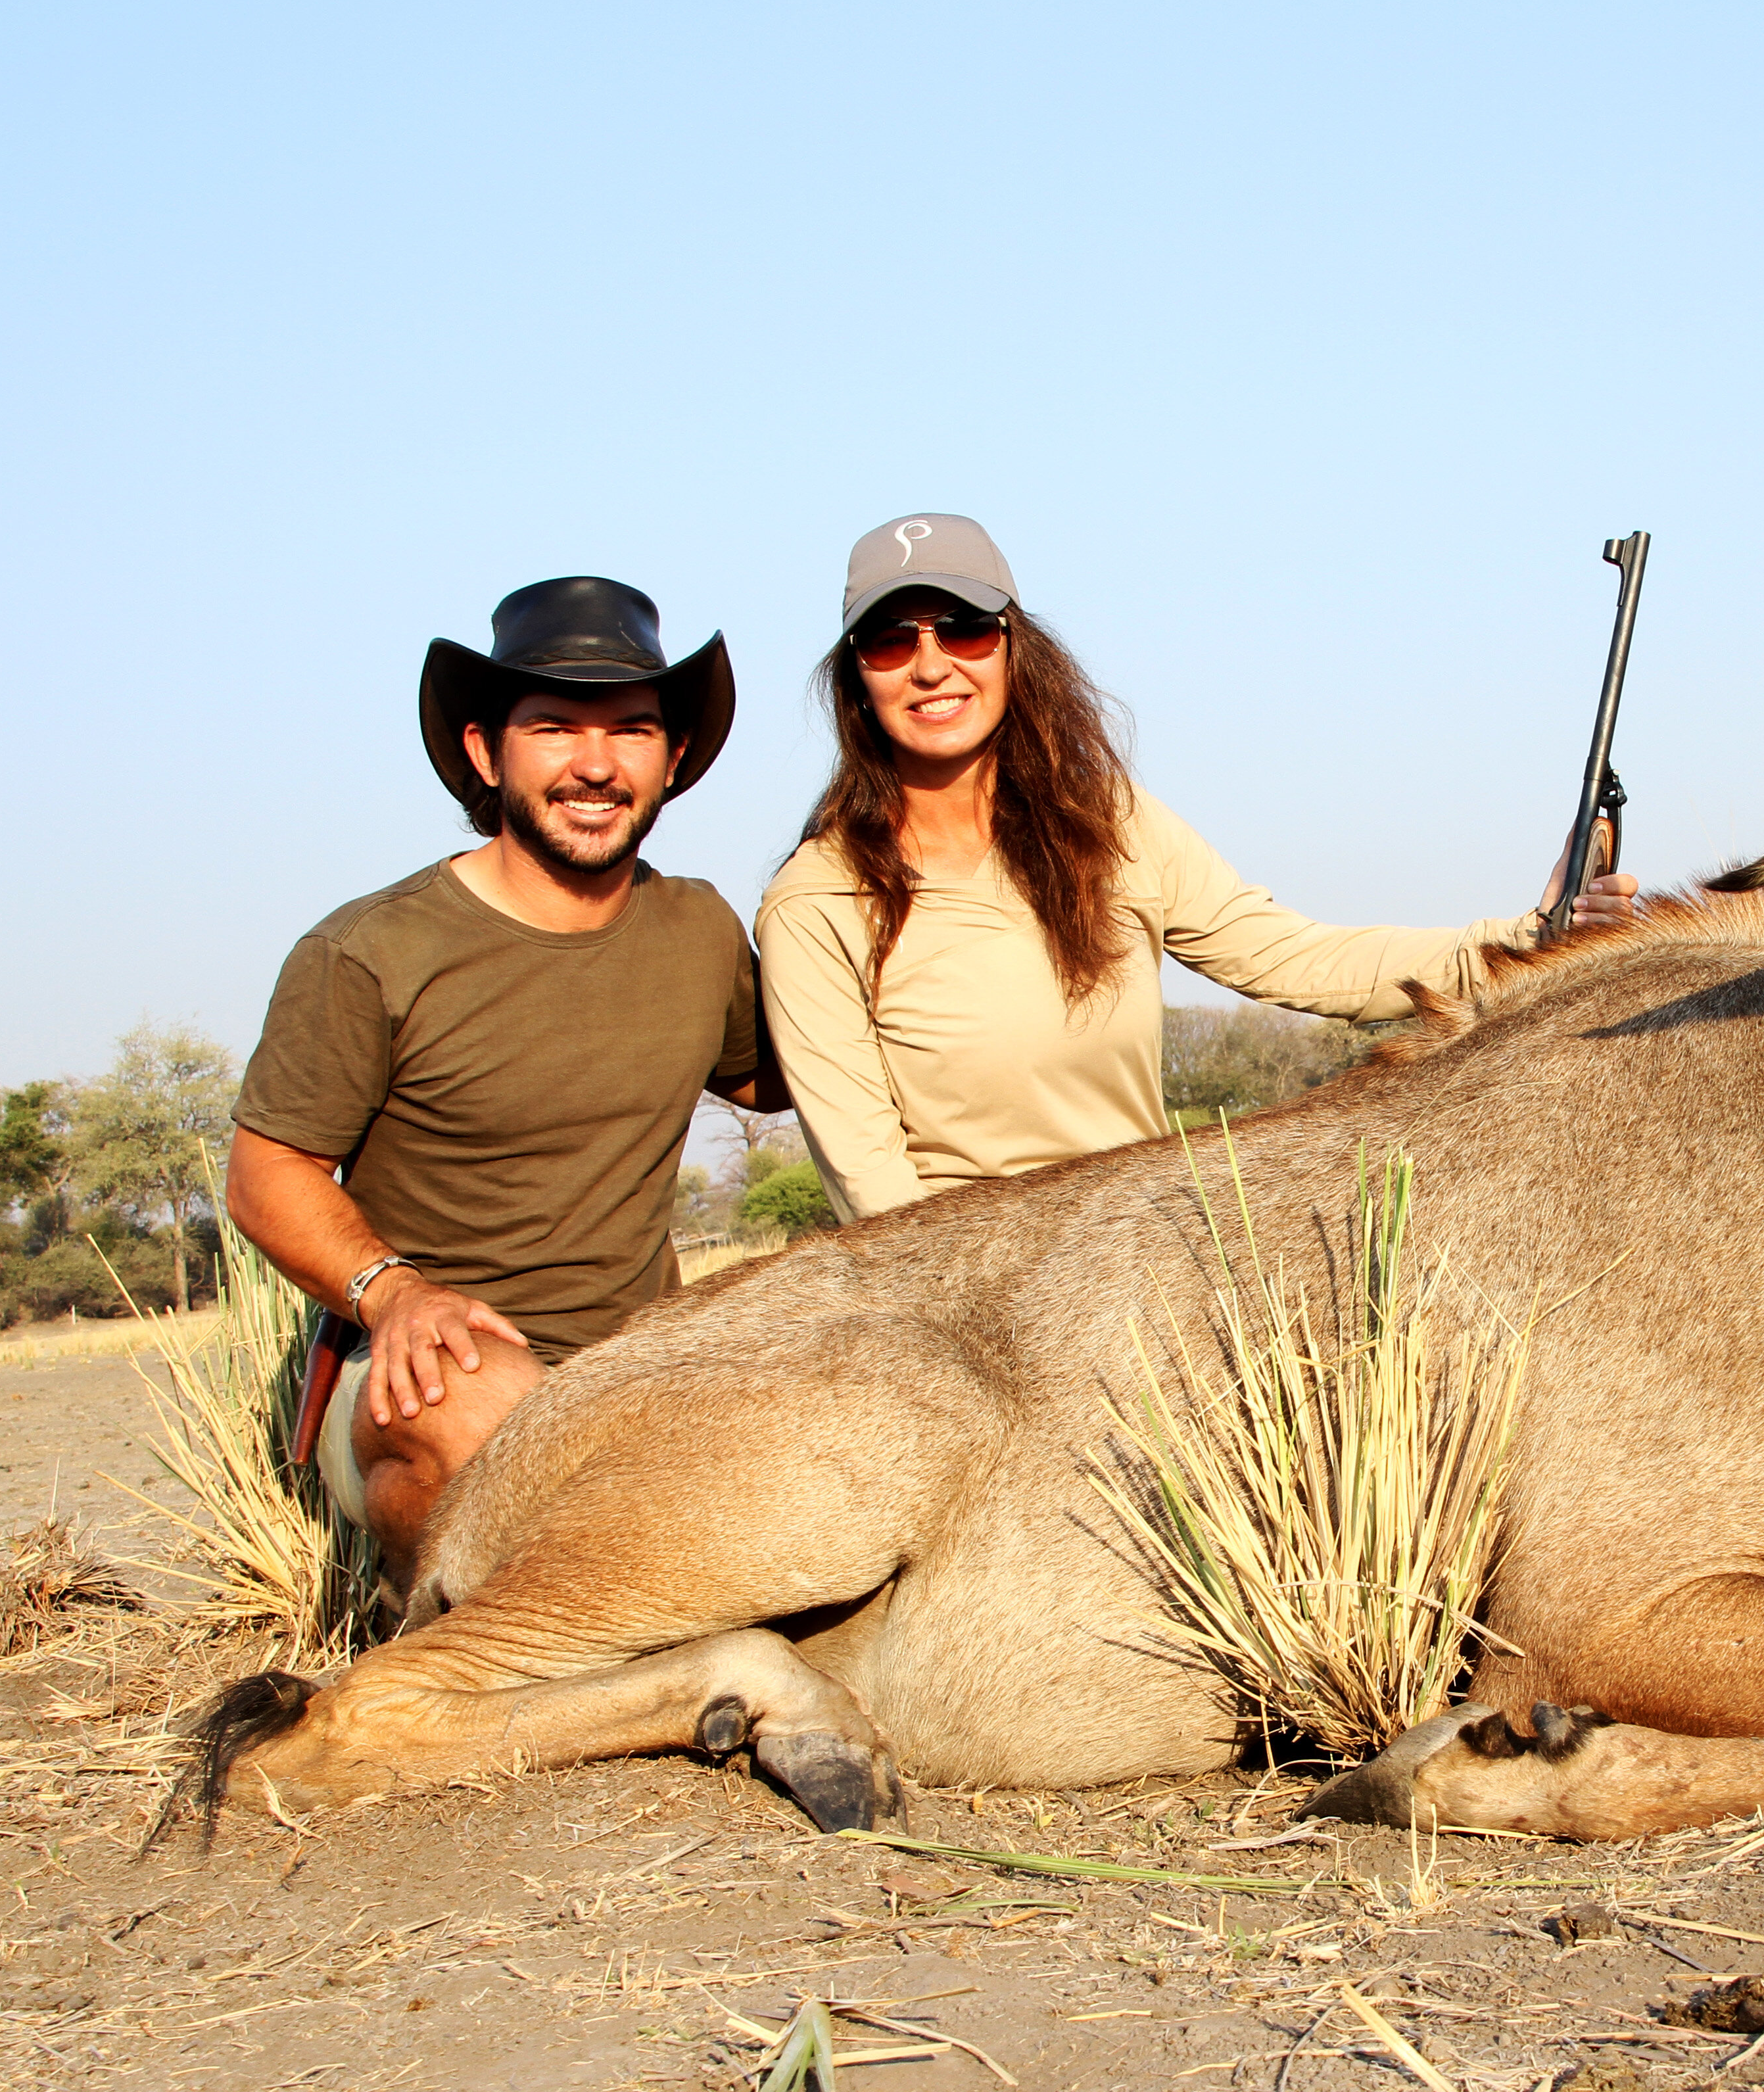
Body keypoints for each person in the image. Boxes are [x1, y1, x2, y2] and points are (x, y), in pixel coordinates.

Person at [757, 513, 1640, 1223]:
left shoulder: (1109, 823)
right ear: (855, 679)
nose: (930, 665)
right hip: (968, 1313)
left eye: (963, 629)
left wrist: (1537, 936)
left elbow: (1300, 959)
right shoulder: (817, 902)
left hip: (1139, 1267)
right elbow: (874, 1193)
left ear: (1012, 649)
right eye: (889, 640)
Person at [223, 577, 777, 1586]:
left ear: (676, 756)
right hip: (436, 1365)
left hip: (638, 1373)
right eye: (556, 727)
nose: (597, 765)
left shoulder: (699, 930)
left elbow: (772, 1078)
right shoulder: (370, 950)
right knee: (488, 1419)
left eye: (634, 730)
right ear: (486, 750)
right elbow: (267, 1174)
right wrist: (392, 1297)